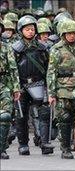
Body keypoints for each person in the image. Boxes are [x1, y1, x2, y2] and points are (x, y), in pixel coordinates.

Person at [47, 19, 75, 159]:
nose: (72, 36)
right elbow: (51, 71)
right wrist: (51, 93)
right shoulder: (56, 50)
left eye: (74, 33)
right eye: (68, 33)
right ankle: (65, 148)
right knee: (64, 118)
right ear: (63, 34)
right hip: (63, 87)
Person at [12, 15, 54, 156]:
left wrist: (49, 86)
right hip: (22, 86)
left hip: (39, 84)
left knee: (44, 113)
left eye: (32, 29)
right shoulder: (16, 49)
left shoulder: (42, 48)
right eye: (27, 29)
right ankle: (23, 144)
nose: (30, 31)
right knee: (21, 116)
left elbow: (49, 67)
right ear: (21, 30)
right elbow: (13, 69)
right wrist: (15, 87)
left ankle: (44, 142)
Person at [0, 20, 21, 159]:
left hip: (4, 84)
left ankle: (2, 148)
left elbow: (13, 68)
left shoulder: (6, 47)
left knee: (5, 117)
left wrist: (15, 88)